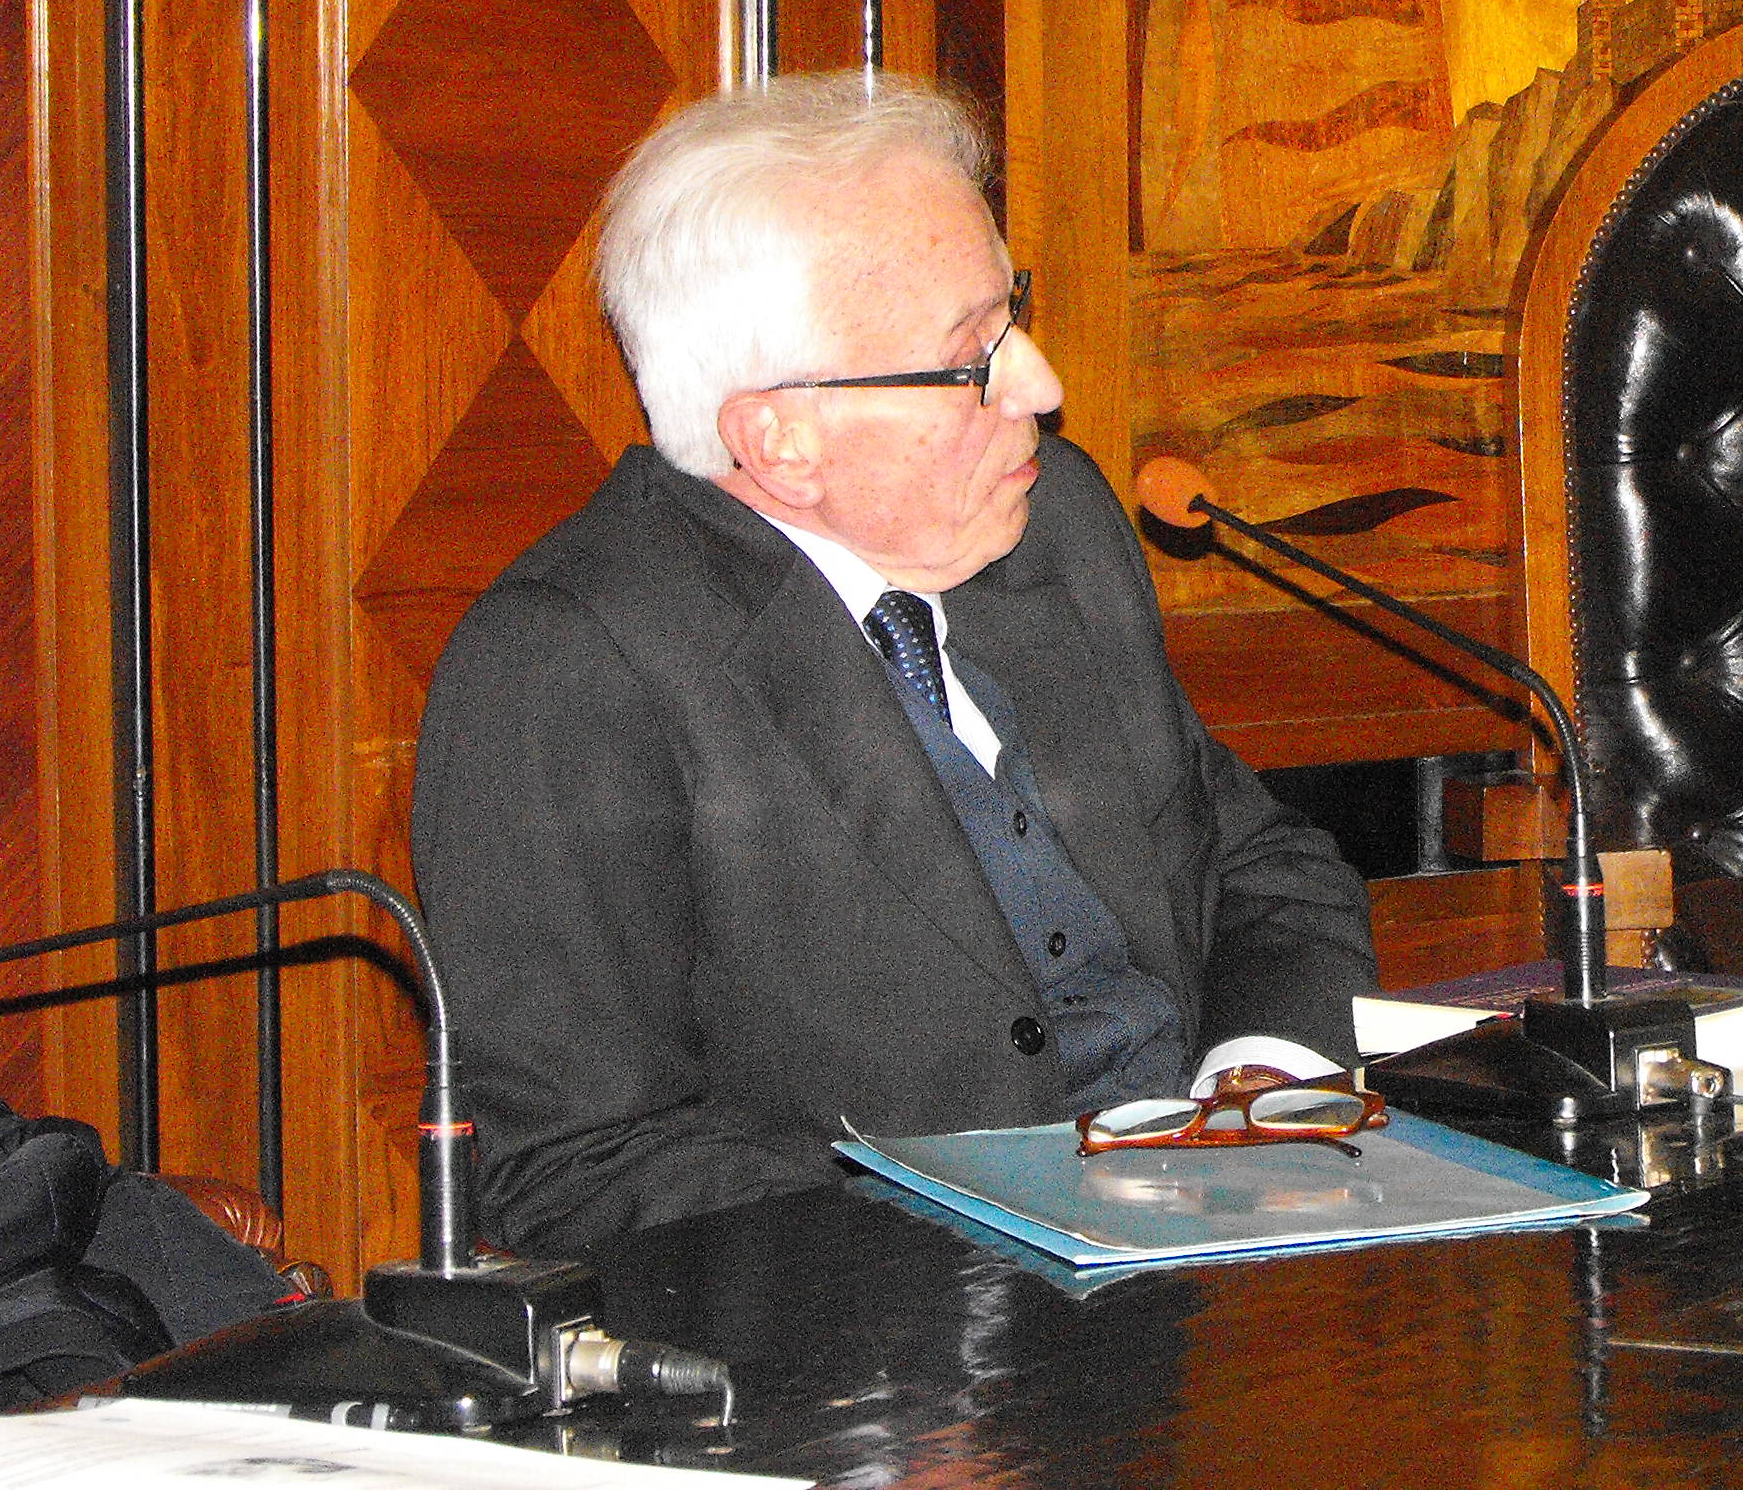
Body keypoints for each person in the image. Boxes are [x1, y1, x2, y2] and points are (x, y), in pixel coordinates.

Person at [412, 74, 1376, 1255]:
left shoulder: (1053, 528)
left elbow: (1262, 870)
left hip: (1230, 1253)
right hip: (893, 1321)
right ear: (781, 437)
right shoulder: (570, 664)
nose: (1041, 386)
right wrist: (991, 1234)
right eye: (973, 357)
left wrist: (1257, 1089)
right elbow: (578, 1164)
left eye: (1011, 315)